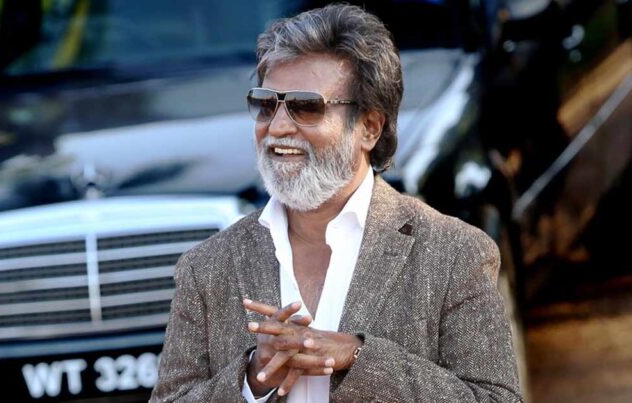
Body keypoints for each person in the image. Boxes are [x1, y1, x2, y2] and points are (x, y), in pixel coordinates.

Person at [151, 4, 522, 402]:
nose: (277, 127)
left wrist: (359, 357)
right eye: (266, 104)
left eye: (306, 106)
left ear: (369, 127)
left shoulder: (454, 254)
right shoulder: (206, 268)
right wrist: (252, 380)